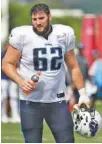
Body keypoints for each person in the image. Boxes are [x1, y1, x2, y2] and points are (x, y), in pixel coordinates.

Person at [2, 4, 93, 143]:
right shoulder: (21, 35)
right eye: (34, 19)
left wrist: (83, 93)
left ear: (49, 17)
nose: (37, 22)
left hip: (57, 101)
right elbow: (7, 64)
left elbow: (73, 66)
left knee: (67, 141)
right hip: (30, 102)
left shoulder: (64, 33)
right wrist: (21, 81)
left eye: (41, 18)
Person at [1, 43, 20, 123]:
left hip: (12, 78)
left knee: (14, 97)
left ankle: (15, 115)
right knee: (3, 97)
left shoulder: (14, 55)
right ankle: (3, 115)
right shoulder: (2, 54)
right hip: (3, 79)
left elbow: (18, 65)